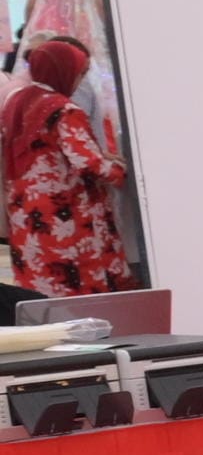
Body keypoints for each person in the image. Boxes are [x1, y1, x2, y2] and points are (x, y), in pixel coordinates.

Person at [1, 36, 129, 296]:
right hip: (65, 217)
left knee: (41, 291)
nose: (79, 80)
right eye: (79, 73)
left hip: (27, 213)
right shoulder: (63, 109)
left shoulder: (16, 101)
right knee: (77, 290)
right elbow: (89, 163)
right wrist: (124, 174)